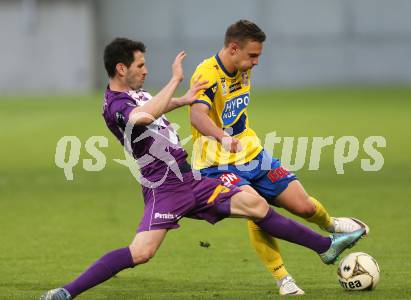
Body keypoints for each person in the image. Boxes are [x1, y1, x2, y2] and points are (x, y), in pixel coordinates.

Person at [40, 37, 365, 300]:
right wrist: (176, 80)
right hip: (163, 187)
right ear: (121, 68)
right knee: (141, 253)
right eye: (140, 65)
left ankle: (326, 247)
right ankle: (66, 293)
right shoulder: (115, 106)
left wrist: (181, 100)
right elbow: (144, 116)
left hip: (189, 177)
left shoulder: (135, 92)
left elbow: (154, 106)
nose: (145, 70)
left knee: (255, 203)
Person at [189, 20, 369, 295]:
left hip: (253, 154)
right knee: (256, 207)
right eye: (253, 55)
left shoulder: (241, 67)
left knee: (304, 206)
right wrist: (223, 138)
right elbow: (197, 115)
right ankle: (283, 278)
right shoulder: (207, 73)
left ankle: (331, 225)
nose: (256, 62)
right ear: (233, 49)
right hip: (217, 164)